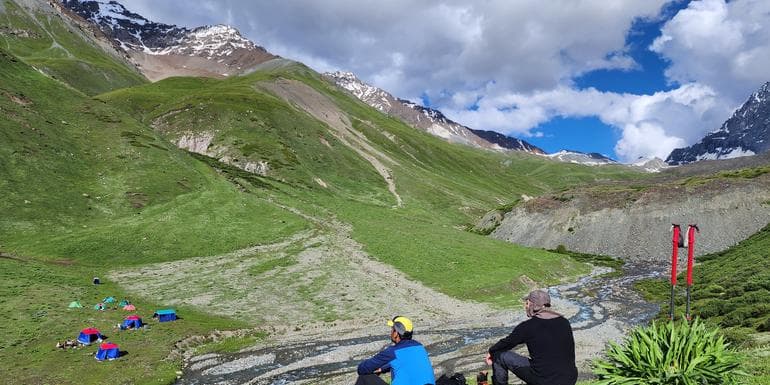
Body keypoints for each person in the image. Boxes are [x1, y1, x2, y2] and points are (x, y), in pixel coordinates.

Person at [485, 289, 577, 385]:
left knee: (500, 356)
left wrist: (491, 351)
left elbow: (507, 343)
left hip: (545, 380)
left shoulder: (528, 326)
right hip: (569, 378)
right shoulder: (564, 322)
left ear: (533, 305)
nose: (525, 306)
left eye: (527, 303)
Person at [356, 316, 435, 385]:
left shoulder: (392, 352)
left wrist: (375, 366)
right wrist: (382, 369)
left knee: (364, 377)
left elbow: (362, 369)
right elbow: (404, 361)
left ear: (396, 333)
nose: (391, 332)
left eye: (392, 329)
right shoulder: (419, 347)